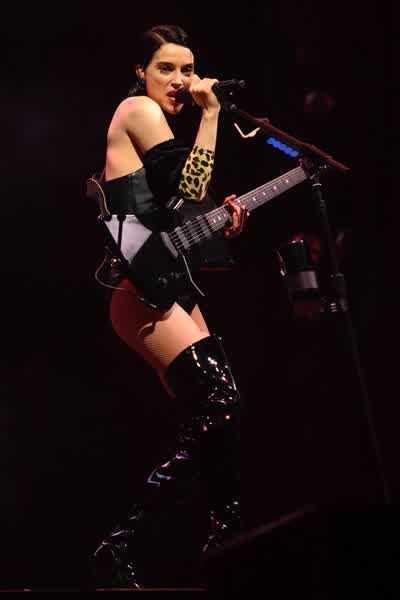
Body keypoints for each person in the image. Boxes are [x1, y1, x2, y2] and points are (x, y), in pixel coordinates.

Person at [89, 24, 250, 588]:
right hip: (138, 292)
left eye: (188, 69)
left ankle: (225, 539)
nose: (181, 80)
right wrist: (212, 115)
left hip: (167, 285)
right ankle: (120, 545)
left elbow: (176, 214)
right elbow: (190, 184)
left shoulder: (155, 125)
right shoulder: (137, 109)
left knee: (219, 416)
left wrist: (221, 225)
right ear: (141, 72)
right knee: (219, 405)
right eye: (167, 69)